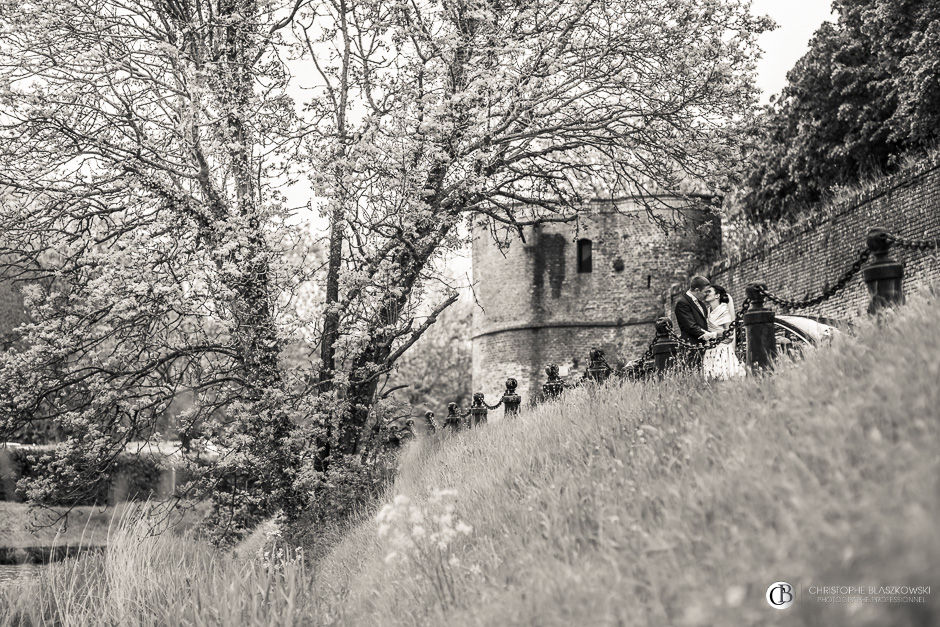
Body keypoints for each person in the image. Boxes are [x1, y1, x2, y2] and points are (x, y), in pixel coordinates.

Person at [702, 284, 745, 380]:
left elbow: (728, 333)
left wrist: (713, 334)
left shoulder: (723, 309)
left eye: (709, 291)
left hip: (722, 349)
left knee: (723, 377)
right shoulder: (708, 311)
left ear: (717, 295)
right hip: (710, 348)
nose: (706, 294)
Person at [673, 275, 717, 370]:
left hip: (704, 345)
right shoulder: (682, 303)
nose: (706, 294)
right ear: (697, 290)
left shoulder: (701, 303)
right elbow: (690, 326)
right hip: (692, 346)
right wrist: (708, 335)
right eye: (705, 292)